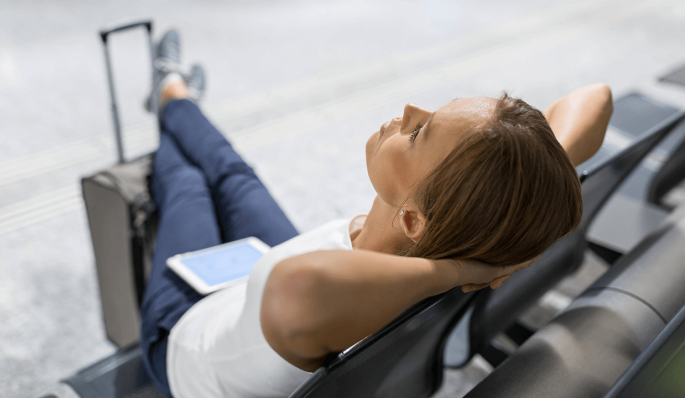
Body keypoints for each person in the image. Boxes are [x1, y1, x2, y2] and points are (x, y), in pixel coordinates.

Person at [140, 30, 612, 398]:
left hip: (185, 341)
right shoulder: (463, 226)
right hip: (247, 301)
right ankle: (174, 99)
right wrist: (535, 175)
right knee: (235, 175)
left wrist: (461, 271)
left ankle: (170, 92)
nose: (408, 110)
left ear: (412, 220)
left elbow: (297, 284)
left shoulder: (316, 299)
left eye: (419, 133)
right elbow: (597, 96)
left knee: (188, 182)